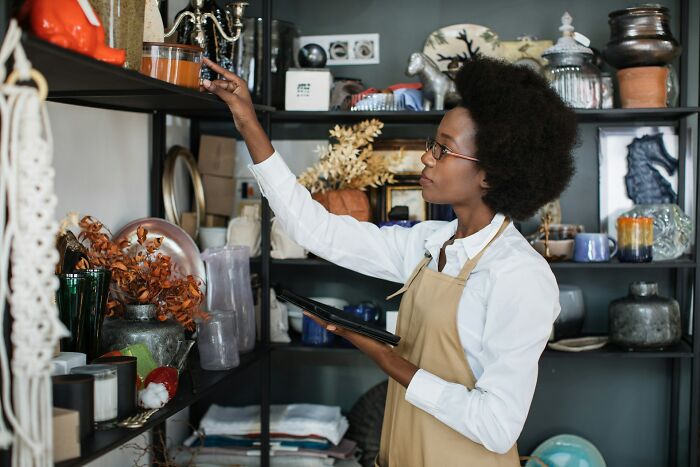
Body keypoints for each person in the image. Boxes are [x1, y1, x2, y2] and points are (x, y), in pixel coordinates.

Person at [202, 55, 578, 466]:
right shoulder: (428, 244)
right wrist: (248, 123)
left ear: (489, 174)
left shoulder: (518, 275)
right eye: (433, 145)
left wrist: (388, 361)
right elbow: (317, 230)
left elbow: (497, 426)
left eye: (443, 150)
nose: (426, 158)